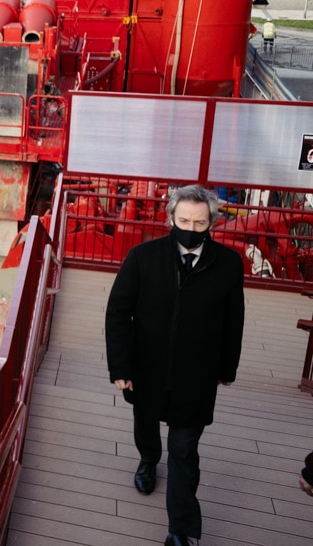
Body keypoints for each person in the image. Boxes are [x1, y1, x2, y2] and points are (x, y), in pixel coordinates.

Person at [105, 184, 245, 546]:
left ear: (212, 222)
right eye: (184, 221)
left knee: (184, 450)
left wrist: (227, 368)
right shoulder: (142, 257)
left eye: (199, 223)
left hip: (197, 374)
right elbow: (118, 313)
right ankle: (149, 460)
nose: (191, 229)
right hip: (146, 366)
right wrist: (121, 367)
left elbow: (234, 320)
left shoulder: (229, 264)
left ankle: (180, 530)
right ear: (171, 217)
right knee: (146, 422)